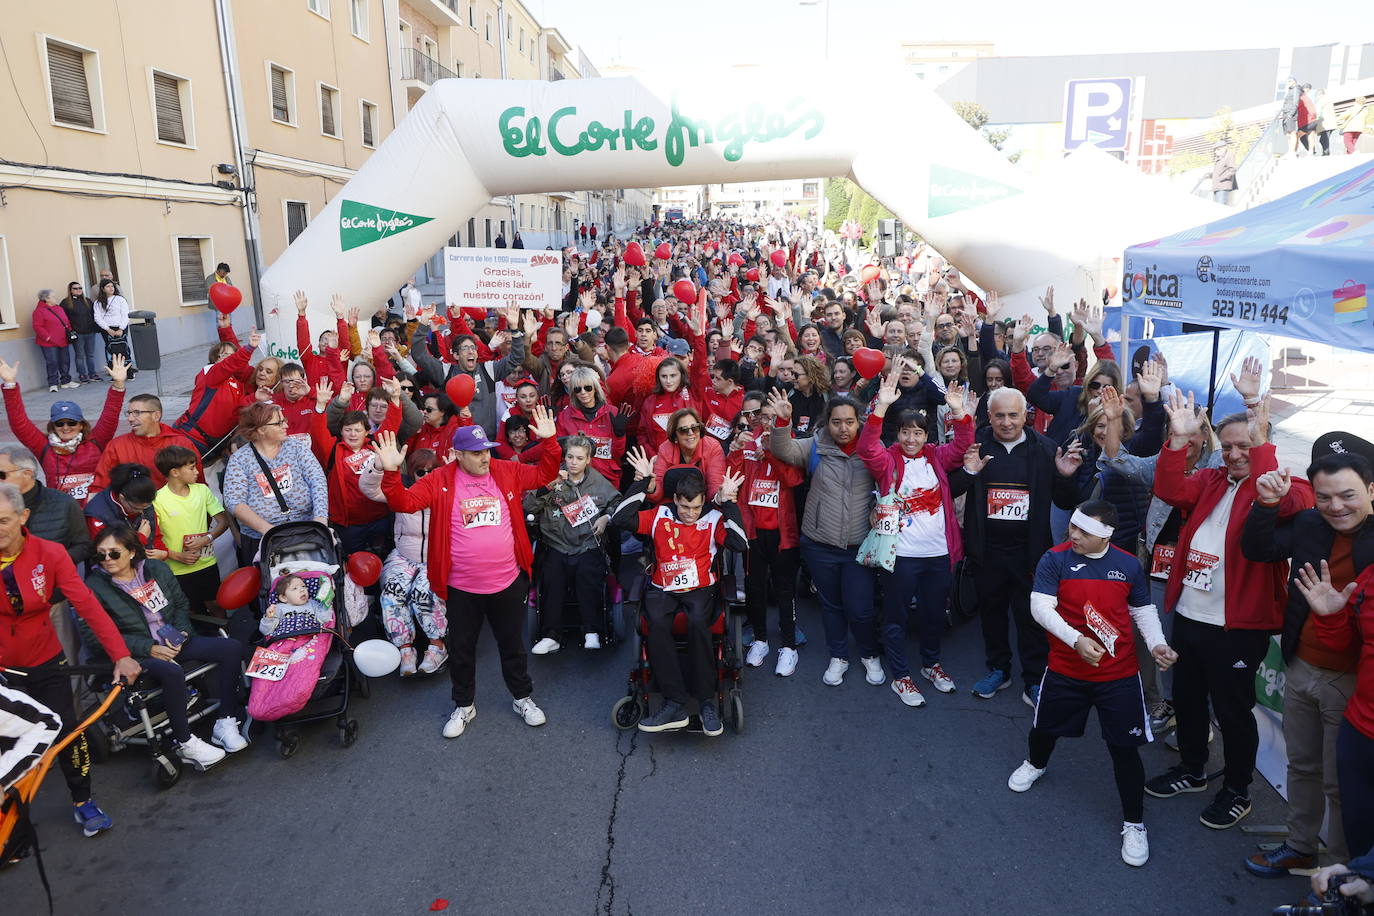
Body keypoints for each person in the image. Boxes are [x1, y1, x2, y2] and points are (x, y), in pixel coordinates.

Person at [1143, 390, 1314, 830]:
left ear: (1262, 445)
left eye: (1246, 446)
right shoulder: (1211, 480)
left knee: (1233, 711)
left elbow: (1294, 503)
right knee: (1187, 699)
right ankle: (1193, 768)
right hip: (1191, 614)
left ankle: (1237, 789)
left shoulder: (1285, 484)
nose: (1235, 454)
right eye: (1229, 446)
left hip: (1238, 627)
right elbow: (1169, 488)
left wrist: (1262, 451)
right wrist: (1177, 441)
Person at [1006, 499, 1178, 868]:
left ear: (1106, 536)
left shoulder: (1128, 565)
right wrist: (1076, 641)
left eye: (1084, 531)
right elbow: (1040, 608)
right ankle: (1035, 763)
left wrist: (1157, 644)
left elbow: (1142, 610)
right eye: (1073, 526)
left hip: (1118, 675)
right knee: (1044, 728)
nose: (1074, 535)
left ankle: (1134, 824)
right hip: (1066, 668)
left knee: (1124, 749)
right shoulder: (1054, 559)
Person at [372, 411, 560, 740]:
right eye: (476, 453)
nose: (484, 457)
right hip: (461, 588)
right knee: (461, 650)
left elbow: (546, 473)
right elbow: (404, 502)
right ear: (458, 454)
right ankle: (464, 705)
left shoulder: (505, 470)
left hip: (506, 582)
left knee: (513, 646)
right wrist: (390, 472)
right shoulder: (439, 479)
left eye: (486, 450)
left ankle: (522, 698)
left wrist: (550, 441)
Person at [1239, 448, 1373, 875]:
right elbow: (1258, 549)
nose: (1337, 507)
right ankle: (1299, 846)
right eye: (1325, 497)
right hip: (1300, 665)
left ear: (1371, 490)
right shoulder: (1311, 523)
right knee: (1301, 766)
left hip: (1351, 679)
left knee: (1341, 783)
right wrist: (1266, 504)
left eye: (1348, 495)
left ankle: (1341, 873)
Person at [0, 481, 140, 837]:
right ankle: (11, 823)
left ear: (23, 516)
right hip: (2, 669)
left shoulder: (49, 553)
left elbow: (87, 605)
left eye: (3, 520)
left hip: (45, 658)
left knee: (67, 730)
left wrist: (121, 655)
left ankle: (83, 801)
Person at [949, 386, 1083, 706]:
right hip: (988, 551)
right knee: (992, 614)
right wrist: (968, 471)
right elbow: (950, 488)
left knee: (1031, 617)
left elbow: (1066, 501)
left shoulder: (1045, 448)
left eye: (1013, 415)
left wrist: (1065, 477)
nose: (1006, 422)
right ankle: (998, 669)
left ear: (1026, 416)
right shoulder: (976, 445)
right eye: (999, 416)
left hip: (1030, 552)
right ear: (989, 417)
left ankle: (1034, 679)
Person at [82, 526, 248, 766]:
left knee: (231, 647)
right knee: (171, 671)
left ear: (131, 552)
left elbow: (180, 605)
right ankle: (185, 742)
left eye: (114, 553)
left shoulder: (156, 568)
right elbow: (94, 636)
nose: (107, 559)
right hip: (136, 654)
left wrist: (181, 632)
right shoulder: (94, 586)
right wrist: (148, 647)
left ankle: (225, 721)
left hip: (172, 640)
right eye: (101, 554)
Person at [859, 371, 974, 705]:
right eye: (906, 432)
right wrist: (881, 408)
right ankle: (901, 676)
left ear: (926, 435)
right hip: (901, 556)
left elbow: (962, 446)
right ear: (898, 434)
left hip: (938, 554)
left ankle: (930, 664)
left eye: (918, 433)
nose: (911, 439)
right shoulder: (888, 460)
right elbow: (867, 448)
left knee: (933, 615)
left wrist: (958, 411)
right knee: (895, 618)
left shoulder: (936, 456)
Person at [613, 456, 747, 736]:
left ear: (703, 502)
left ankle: (706, 700)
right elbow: (620, 519)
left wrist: (728, 503)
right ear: (675, 499)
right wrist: (643, 483)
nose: (690, 513)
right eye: (685, 507)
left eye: (696, 507)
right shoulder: (658, 515)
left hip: (700, 587)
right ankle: (674, 703)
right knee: (657, 622)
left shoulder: (712, 518)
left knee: (698, 621)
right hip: (663, 587)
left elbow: (739, 543)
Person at [768, 391, 883, 687]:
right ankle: (839, 656)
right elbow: (783, 450)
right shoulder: (815, 445)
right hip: (820, 544)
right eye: (836, 422)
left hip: (859, 546)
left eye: (849, 422)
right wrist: (783, 420)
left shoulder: (872, 448)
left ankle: (869, 654)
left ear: (859, 422)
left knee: (860, 608)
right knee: (831, 605)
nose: (843, 428)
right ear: (827, 422)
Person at [1300, 555, 1374, 868]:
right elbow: (1347, 644)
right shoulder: (1370, 577)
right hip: (1359, 729)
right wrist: (1330, 616)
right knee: (1359, 838)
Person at [729, 392, 804, 677]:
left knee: (784, 588)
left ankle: (789, 646)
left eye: (774, 418)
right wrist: (736, 451)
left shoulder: (790, 442)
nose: (769, 423)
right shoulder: (750, 440)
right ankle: (760, 640)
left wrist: (772, 451)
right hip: (753, 530)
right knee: (754, 587)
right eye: (765, 417)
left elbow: (793, 480)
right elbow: (732, 478)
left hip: (782, 533)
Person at [527, 437, 620, 654]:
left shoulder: (597, 481)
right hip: (556, 543)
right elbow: (529, 505)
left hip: (587, 543)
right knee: (552, 577)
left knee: (588, 574)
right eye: (570, 457)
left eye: (579, 458)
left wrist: (606, 517)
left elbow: (617, 502)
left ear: (588, 460)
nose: (573, 462)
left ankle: (591, 631)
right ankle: (551, 636)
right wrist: (549, 486)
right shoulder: (552, 476)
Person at [360, 449, 447, 677]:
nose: (426, 476)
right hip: (404, 557)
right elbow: (370, 489)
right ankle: (405, 649)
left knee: (423, 592)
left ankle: (437, 646)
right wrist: (378, 465)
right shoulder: (402, 492)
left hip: (436, 558)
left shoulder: (447, 492)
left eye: (432, 471)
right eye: (421, 472)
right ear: (412, 473)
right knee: (392, 593)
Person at [1, 354, 127, 504]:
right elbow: (19, 423)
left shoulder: (96, 441)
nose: (66, 427)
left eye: (71, 422)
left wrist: (118, 384)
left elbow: (110, 415)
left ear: (81, 425)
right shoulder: (44, 446)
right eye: (60, 423)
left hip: (96, 510)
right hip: (61, 511)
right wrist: (10, 384)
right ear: (53, 426)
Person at [220, 402, 329, 568]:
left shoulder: (296, 447)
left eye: (284, 420)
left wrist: (320, 520)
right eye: (279, 423)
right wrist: (270, 532)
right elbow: (234, 502)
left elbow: (317, 481)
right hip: (262, 539)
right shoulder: (240, 460)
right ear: (261, 429)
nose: (286, 425)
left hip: (306, 531)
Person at [153, 446, 230, 621]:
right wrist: (176, 555)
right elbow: (152, 540)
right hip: (176, 569)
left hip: (207, 562)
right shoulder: (157, 500)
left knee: (216, 605)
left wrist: (207, 538)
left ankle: (226, 635)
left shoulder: (202, 490)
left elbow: (223, 521)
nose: (197, 472)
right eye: (192, 468)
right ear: (175, 472)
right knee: (189, 611)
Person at [0, 445, 91, 566]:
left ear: (27, 474)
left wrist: (54, 564)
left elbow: (83, 545)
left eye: (2, 475)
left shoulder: (64, 503)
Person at [93, 393, 203, 491]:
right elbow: (99, 486)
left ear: (156, 416)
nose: (130, 418)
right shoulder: (116, 446)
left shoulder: (182, 443)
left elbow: (199, 483)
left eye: (136, 413)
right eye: (129, 413)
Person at [555, 368, 629, 487]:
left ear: (595, 388)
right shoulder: (564, 416)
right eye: (578, 389)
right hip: (575, 479)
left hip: (606, 478)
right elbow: (560, 452)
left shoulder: (613, 412)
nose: (583, 392)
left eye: (588, 388)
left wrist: (619, 435)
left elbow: (617, 454)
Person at [85, 463, 167, 560]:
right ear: (122, 498)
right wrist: (140, 538)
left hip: (144, 561)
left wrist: (163, 552)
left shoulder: (143, 501)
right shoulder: (97, 514)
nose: (141, 512)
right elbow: (105, 553)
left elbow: (155, 535)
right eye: (135, 508)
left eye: (146, 507)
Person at [650, 408, 724, 503]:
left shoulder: (713, 447)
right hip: (673, 502)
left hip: (703, 503)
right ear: (675, 436)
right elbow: (658, 487)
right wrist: (652, 489)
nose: (690, 433)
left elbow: (715, 483)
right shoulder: (665, 449)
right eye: (683, 430)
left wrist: (717, 498)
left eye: (694, 428)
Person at [32, 289, 79, 392]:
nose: (55, 298)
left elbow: (66, 322)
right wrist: (48, 337)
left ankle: (66, 381)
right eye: (53, 296)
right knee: (52, 362)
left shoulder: (59, 308)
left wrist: (70, 331)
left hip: (63, 340)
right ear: (46, 299)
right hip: (48, 343)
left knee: (65, 361)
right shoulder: (39, 311)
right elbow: (37, 326)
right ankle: (53, 383)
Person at [260, 573, 333, 637]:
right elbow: (266, 632)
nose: (302, 590)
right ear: (284, 598)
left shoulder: (313, 604)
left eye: (303, 586)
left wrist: (326, 604)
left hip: (310, 636)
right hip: (285, 637)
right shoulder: (279, 608)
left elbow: (324, 620)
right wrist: (269, 618)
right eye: (295, 588)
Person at [60, 280, 101, 384]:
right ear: (70, 290)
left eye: (80, 288)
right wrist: (70, 330)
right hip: (77, 333)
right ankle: (82, 375)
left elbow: (94, 314)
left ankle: (92, 374)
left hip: (90, 332)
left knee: (90, 355)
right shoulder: (65, 303)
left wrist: (96, 327)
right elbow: (63, 319)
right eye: (75, 288)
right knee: (80, 355)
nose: (78, 290)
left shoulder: (87, 301)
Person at [92, 278, 133, 375]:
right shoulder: (98, 303)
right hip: (107, 329)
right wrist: (107, 329)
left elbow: (125, 315)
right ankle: (114, 373)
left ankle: (129, 372)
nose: (111, 288)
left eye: (112, 286)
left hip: (120, 327)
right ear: (103, 289)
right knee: (110, 350)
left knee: (123, 349)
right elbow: (97, 317)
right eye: (108, 286)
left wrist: (121, 329)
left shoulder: (120, 299)